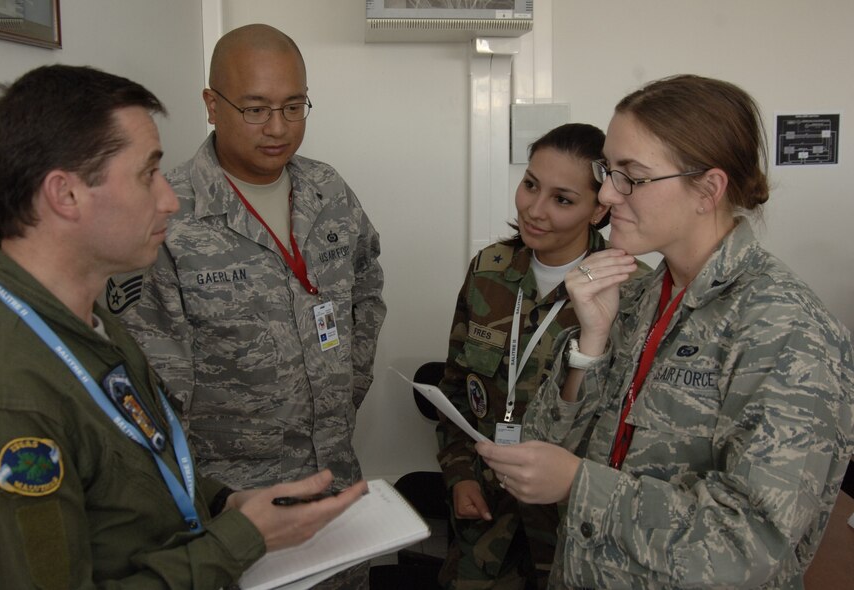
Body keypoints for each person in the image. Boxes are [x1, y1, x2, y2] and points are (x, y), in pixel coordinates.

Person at [0, 64, 367, 589]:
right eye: (146, 175)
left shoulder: (90, 324)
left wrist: (225, 501)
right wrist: (242, 538)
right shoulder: (6, 393)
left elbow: (138, 469)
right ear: (65, 195)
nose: (170, 199)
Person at [476, 74, 854, 589]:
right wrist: (589, 346)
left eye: (631, 176)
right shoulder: (634, 294)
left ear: (708, 189)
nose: (607, 195)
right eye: (607, 171)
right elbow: (541, 444)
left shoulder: (786, 329)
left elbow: (752, 543)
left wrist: (580, 485)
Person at [113, 23, 385, 496]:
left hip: (335, 473)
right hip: (233, 497)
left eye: (294, 107)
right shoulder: (168, 214)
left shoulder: (329, 191)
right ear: (213, 106)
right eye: (256, 109)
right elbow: (151, 384)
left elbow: (366, 293)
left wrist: (343, 390)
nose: (278, 127)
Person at [437, 124, 647, 589]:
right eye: (531, 184)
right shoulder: (489, 271)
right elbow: (455, 387)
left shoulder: (633, 292)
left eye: (563, 199)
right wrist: (459, 476)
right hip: (487, 516)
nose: (534, 209)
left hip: (574, 526)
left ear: (599, 210)